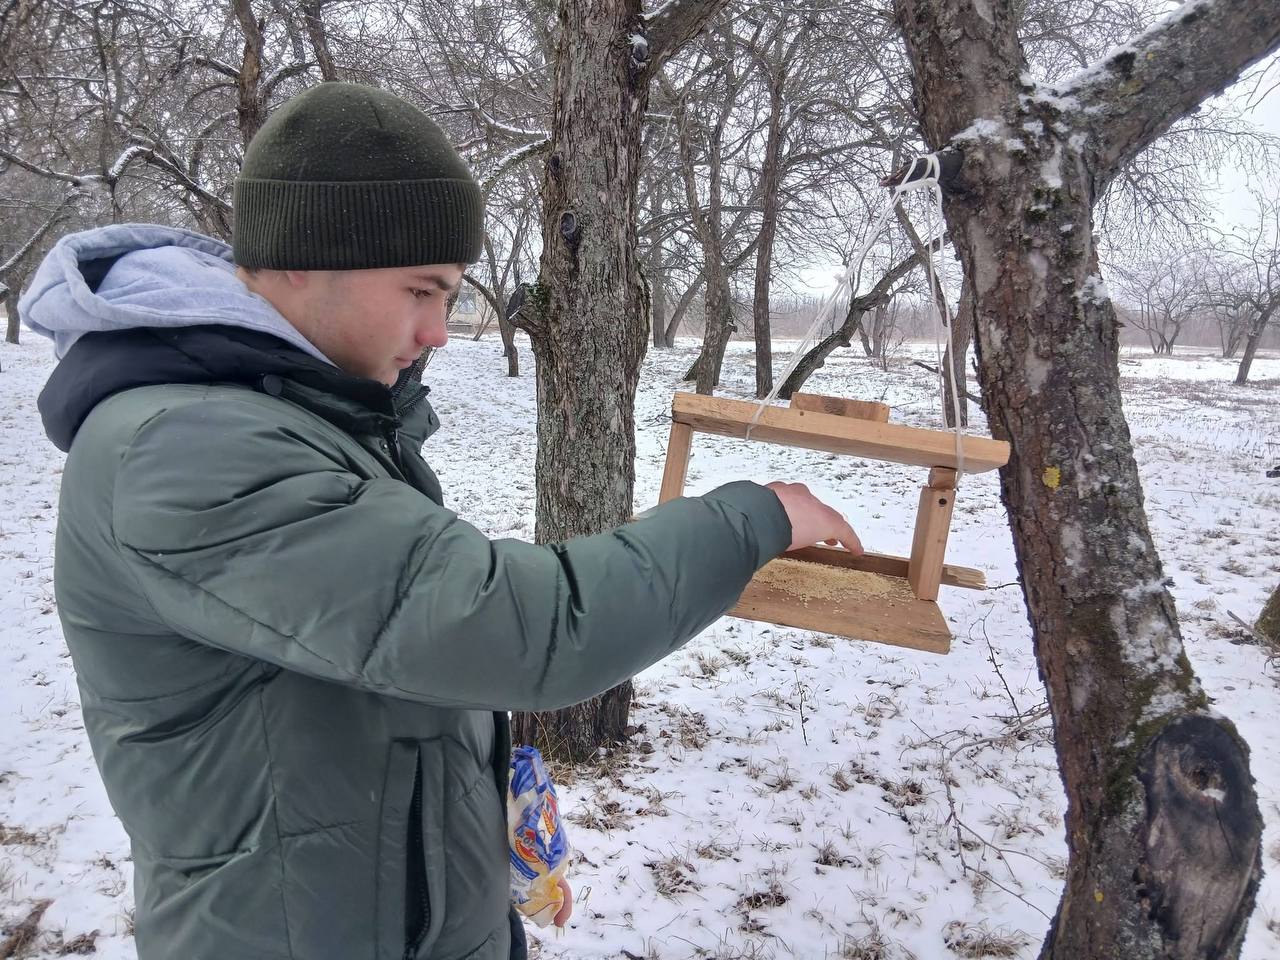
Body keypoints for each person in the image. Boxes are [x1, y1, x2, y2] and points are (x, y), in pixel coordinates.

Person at [20, 82, 860, 960]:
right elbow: (511, 625)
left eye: (450, 295)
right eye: (422, 289)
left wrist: (481, 851)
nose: (439, 331)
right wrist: (751, 519)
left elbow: (389, 673)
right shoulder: (185, 447)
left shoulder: (304, 413)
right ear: (303, 257)